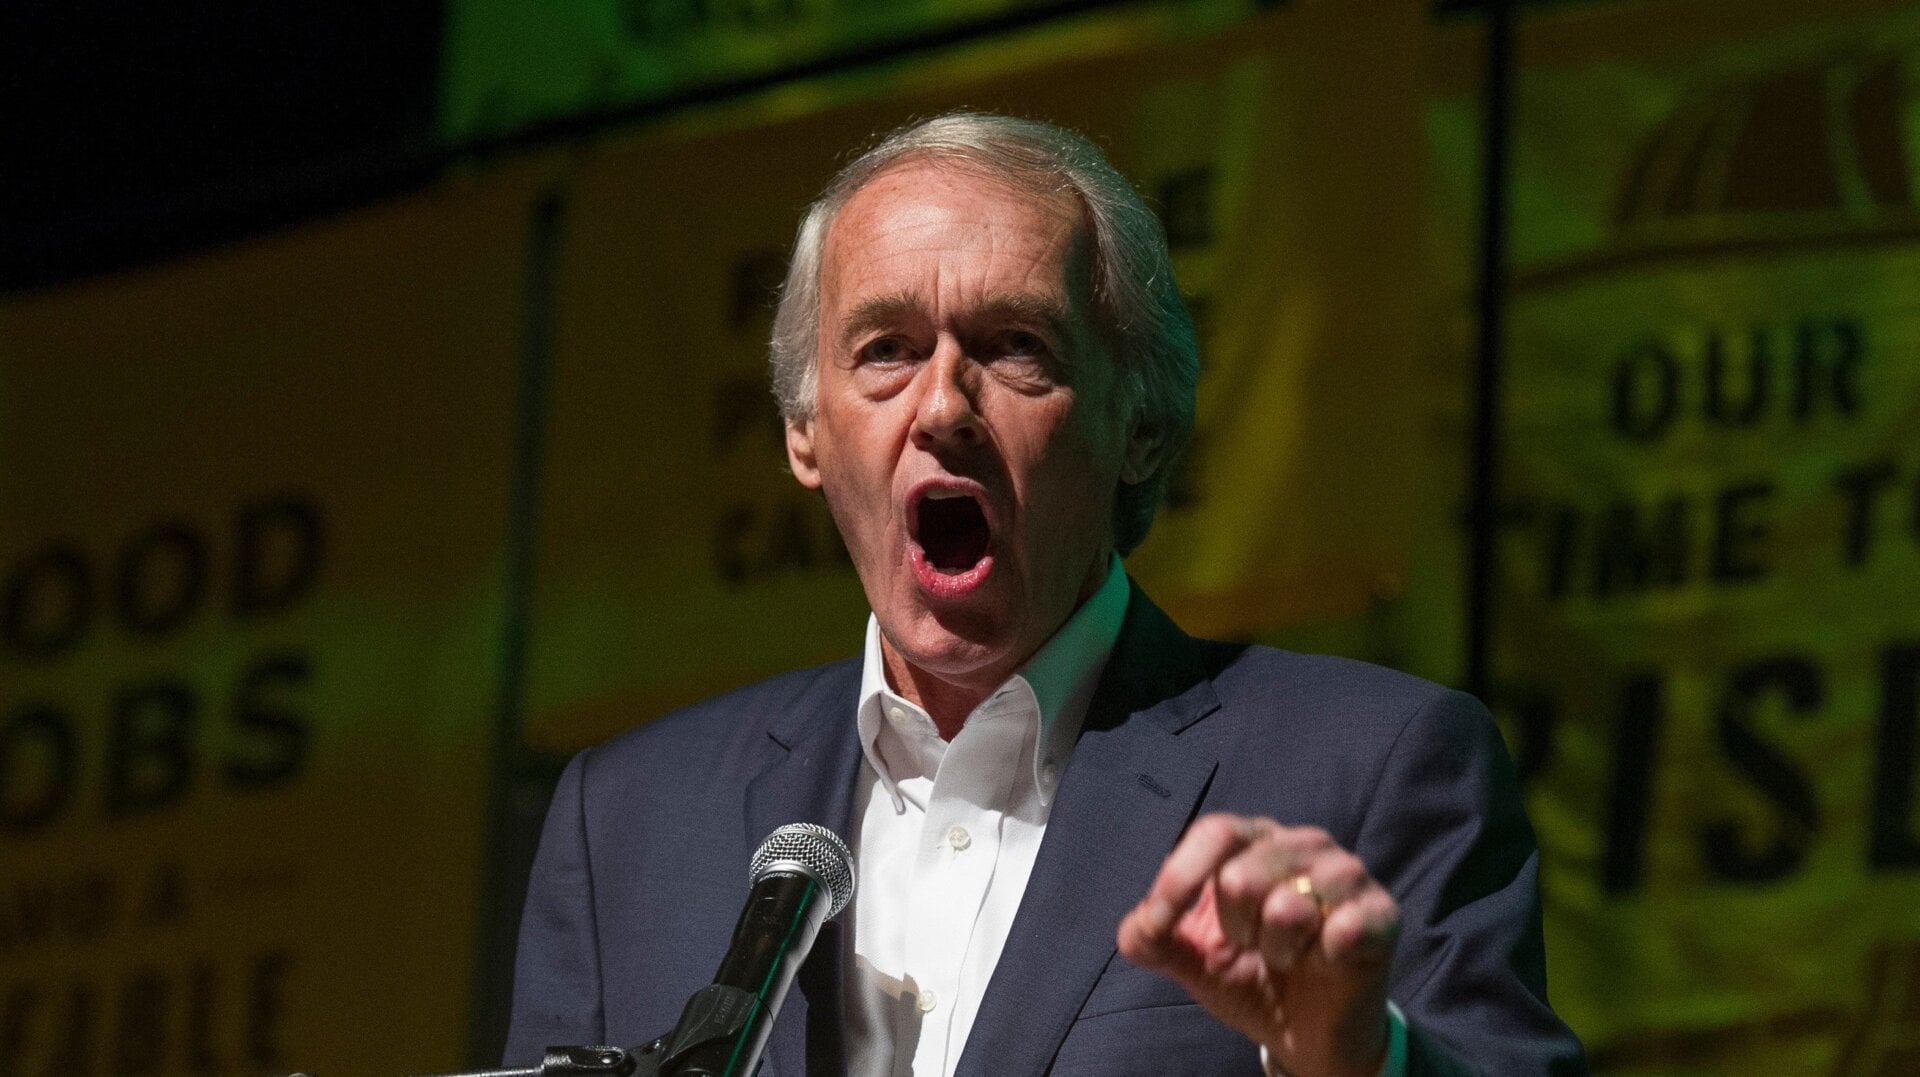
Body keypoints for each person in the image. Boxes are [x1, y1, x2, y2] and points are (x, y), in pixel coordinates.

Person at [503, 112, 1585, 1076]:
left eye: (1017, 348)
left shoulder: (1371, 768)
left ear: (1141, 425)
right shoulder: (628, 822)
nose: (942, 407)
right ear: (804, 432)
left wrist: (1359, 1066)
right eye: (885, 350)